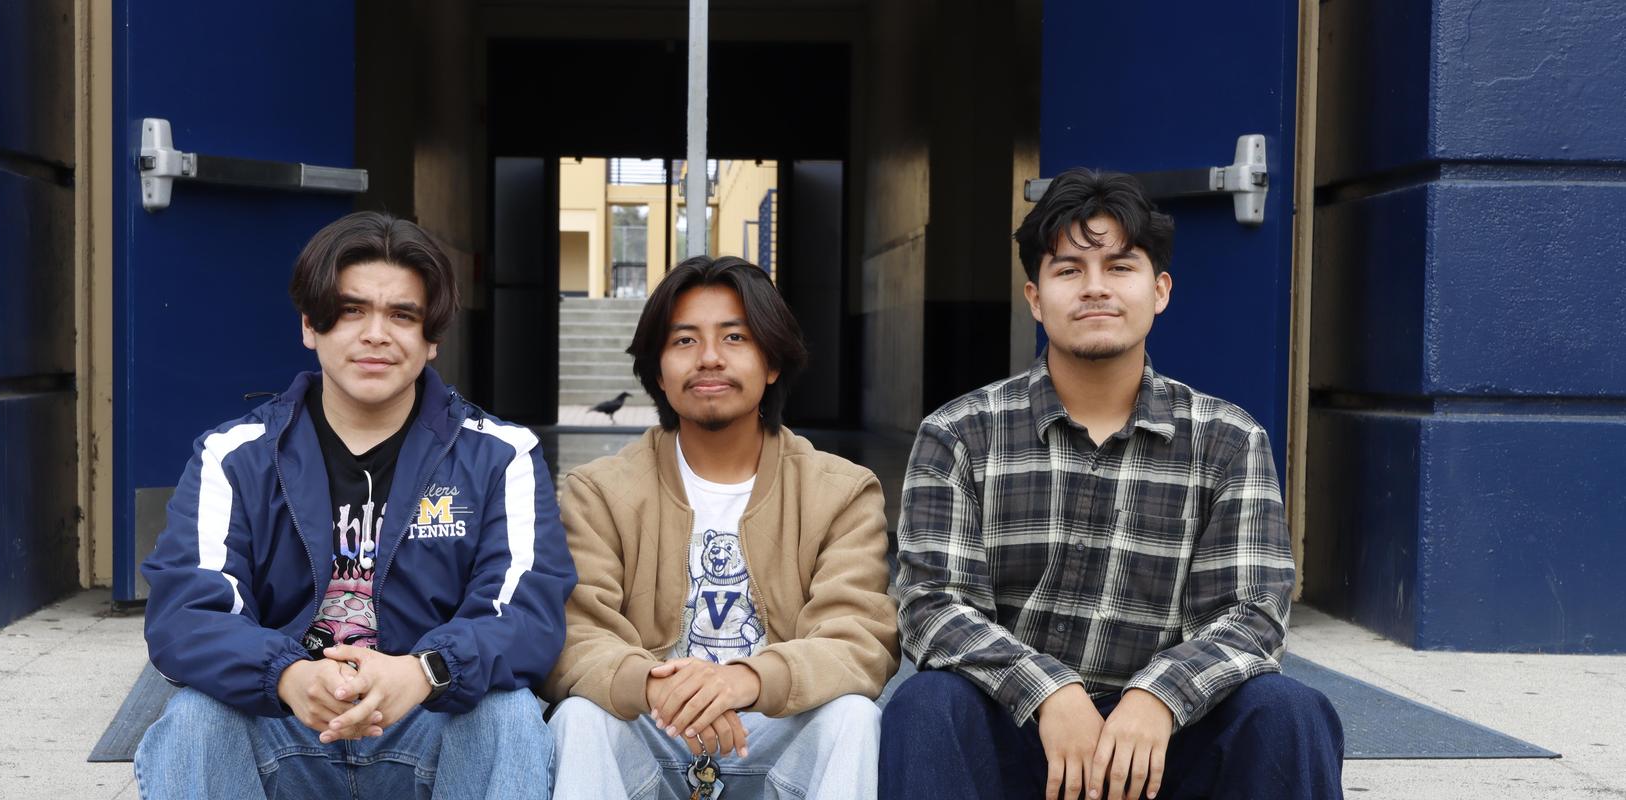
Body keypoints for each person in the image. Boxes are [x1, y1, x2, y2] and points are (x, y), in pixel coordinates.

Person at [880, 169, 1344, 800]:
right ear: (1036, 299)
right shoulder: (960, 434)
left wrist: (1159, 697)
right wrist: (1051, 693)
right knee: (927, 707)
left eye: (1119, 267)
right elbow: (933, 607)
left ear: (1160, 291)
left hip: (1164, 746)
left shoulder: (1229, 439)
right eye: (1069, 270)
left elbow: (1251, 613)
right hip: (1021, 738)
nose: (1095, 288)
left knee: (1288, 711)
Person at [134, 212, 577, 800]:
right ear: (309, 327)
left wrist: (423, 672)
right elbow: (188, 612)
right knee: (194, 720)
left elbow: (528, 615)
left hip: (428, 718)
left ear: (432, 337)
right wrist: (287, 675)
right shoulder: (236, 456)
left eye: (402, 315)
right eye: (351, 311)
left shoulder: (500, 455)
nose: (376, 334)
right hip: (285, 719)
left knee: (508, 717)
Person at [543, 256, 898, 799]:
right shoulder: (600, 492)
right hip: (653, 727)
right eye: (684, 341)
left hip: (772, 731)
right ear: (659, 371)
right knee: (578, 719)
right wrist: (659, 686)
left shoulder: (840, 490)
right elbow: (574, 636)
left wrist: (746, 680)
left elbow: (858, 638)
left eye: (735, 337)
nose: (709, 358)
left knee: (853, 717)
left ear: (772, 361)